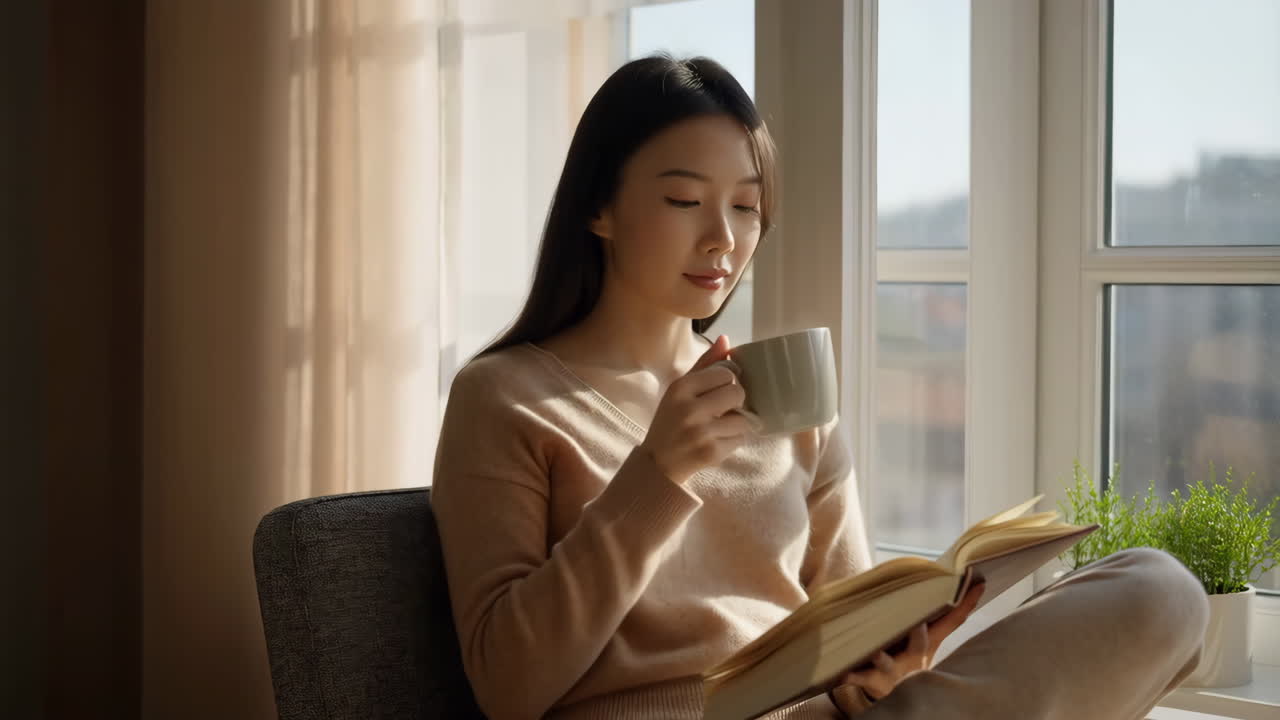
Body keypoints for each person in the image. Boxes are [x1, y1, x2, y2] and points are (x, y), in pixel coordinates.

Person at [430, 55, 1209, 720]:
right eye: (683, 201)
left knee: (1159, 590)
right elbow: (509, 686)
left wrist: (881, 673)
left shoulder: (785, 399)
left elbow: (846, 627)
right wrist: (656, 476)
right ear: (600, 207)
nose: (723, 239)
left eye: (745, 206)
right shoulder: (506, 396)